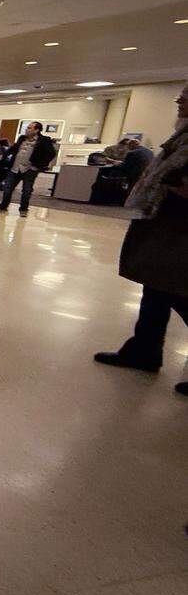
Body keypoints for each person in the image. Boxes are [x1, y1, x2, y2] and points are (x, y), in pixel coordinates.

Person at [94, 83, 188, 397]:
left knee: (176, 293)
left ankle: (144, 349)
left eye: (185, 98)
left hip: (180, 227)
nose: (179, 101)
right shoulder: (182, 136)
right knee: (156, 291)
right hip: (166, 222)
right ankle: (143, 349)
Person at [0, 121, 57, 217]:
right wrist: (4, 155)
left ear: (37, 130)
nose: (27, 130)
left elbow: (51, 153)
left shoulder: (44, 140)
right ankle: (2, 207)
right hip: (15, 168)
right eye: (27, 128)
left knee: (26, 190)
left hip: (30, 169)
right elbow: (14, 148)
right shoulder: (22, 138)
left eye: (30, 128)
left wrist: (40, 165)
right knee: (8, 188)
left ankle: (23, 210)